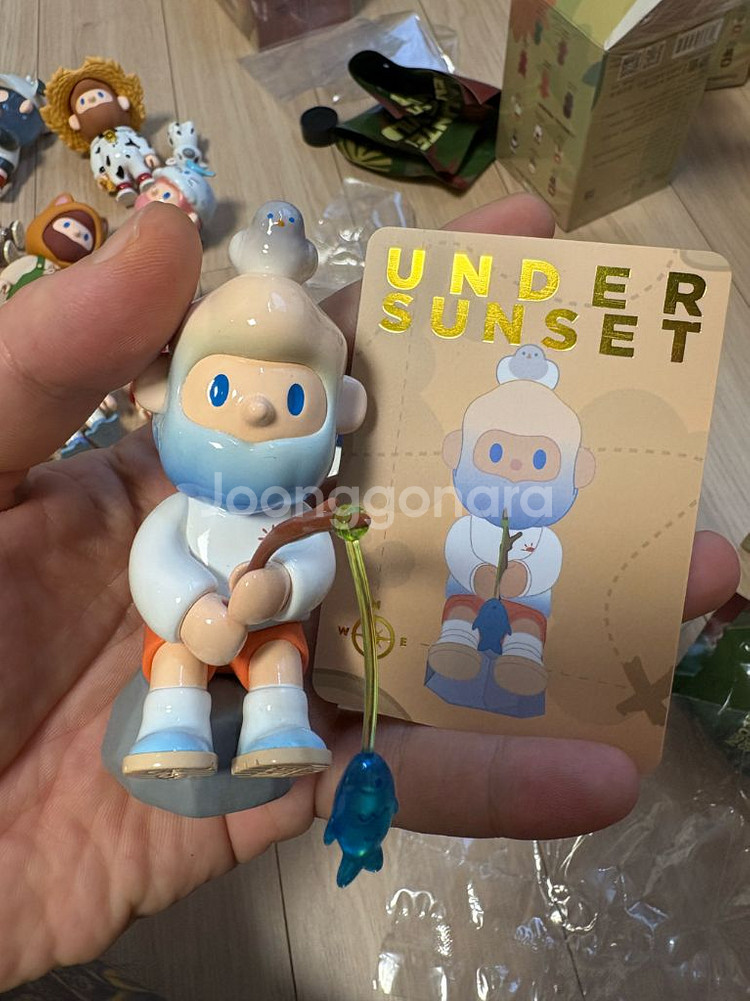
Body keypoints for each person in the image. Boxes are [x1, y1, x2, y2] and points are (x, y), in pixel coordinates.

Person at [0, 196, 738, 990]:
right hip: (188, 625)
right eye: (218, 393)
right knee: (174, 664)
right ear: (162, 398)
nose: (256, 407)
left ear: (338, 419)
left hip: (269, 625)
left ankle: (278, 728)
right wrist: (190, 608)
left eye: (293, 402)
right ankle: (170, 729)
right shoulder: (182, 511)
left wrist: (279, 588)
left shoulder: (302, 515)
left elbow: (312, 563)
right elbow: (156, 560)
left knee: (282, 662)